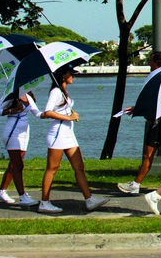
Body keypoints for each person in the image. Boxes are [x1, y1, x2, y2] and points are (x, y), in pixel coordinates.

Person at [38, 66, 110, 214]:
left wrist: (71, 113)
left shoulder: (63, 91)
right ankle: (44, 202)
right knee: (52, 168)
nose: (73, 77)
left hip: (68, 134)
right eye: (71, 74)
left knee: (79, 167)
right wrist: (68, 117)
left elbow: (62, 110)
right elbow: (48, 112)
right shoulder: (56, 91)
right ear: (63, 75)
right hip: (58, 134)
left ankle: (89, 200)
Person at [117, 50, 161, 195]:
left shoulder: (160, 77)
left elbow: (157, 101)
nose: (149, 63)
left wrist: (139, 108)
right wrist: (137, 108)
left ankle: (135, 185)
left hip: (160, 121)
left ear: (156, 62)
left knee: (149, 153)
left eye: (151, 60)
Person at [0, 91, 41, 206]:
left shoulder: (27, 96)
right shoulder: (10, 95)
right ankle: (22, 196)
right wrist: (13, 110)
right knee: (18, 165)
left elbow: (37, 114)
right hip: (12, 131)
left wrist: (56, 114)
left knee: (13, 164)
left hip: (24, 133)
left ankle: (1, 191)